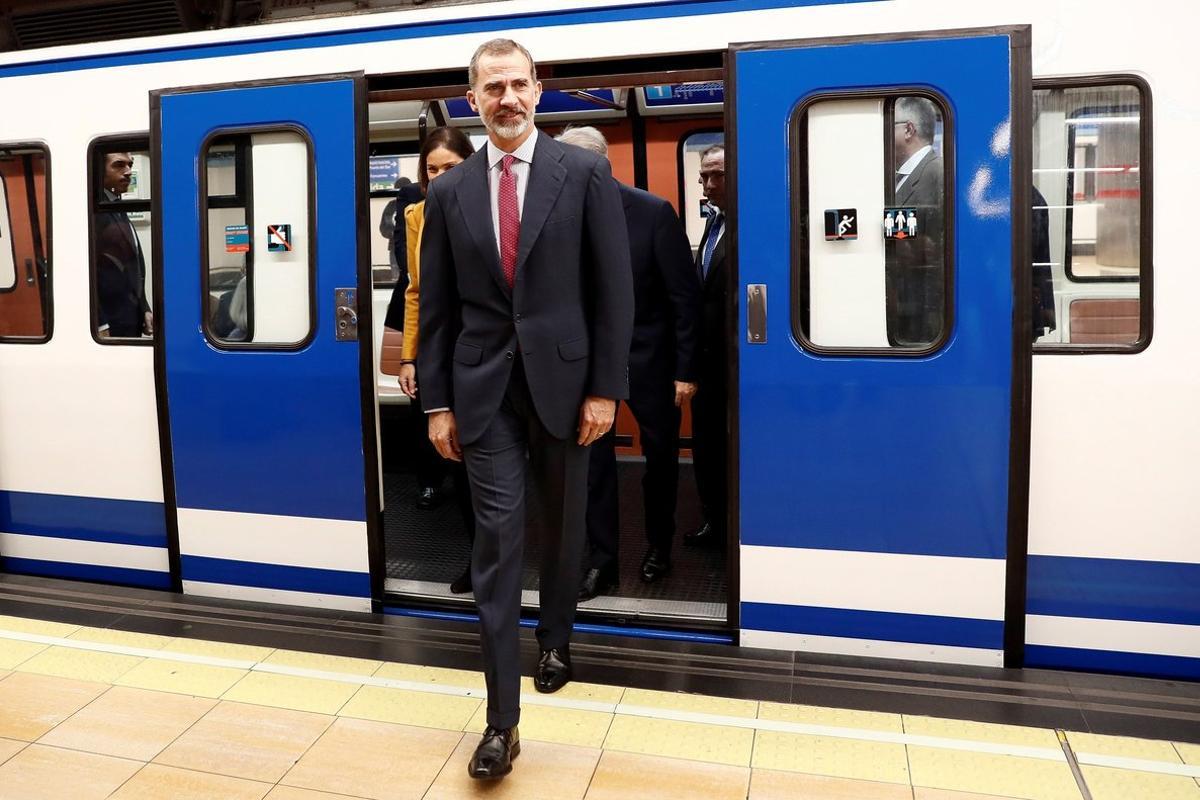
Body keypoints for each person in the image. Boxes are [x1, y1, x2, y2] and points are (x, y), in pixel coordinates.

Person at [418, 38, 633, 780]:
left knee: (565, 525)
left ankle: (558, 636)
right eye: (491, 88)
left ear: (538, 90)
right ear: (469, 99)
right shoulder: (446, 194)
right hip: (483, 396)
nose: (506, 98)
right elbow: (437, 311)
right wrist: (437, 403)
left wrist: (605, 389)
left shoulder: (583, 172)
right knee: (497, 548)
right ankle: (501, 724)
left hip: (568, 388)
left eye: (517, 84)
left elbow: (614, 292)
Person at [555, 126, 700, 598]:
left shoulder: (652, 213)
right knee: (593, 464)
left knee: (659, 459)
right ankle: (604, 560)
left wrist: (685, 369)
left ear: (599, 165)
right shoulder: (556, 215)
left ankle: (659, 545)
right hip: (583, 364)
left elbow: (683, 297)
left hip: (651, 359)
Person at [396, 126, 479, 594]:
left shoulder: (493, 206)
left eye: (451, 167)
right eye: (433, 170)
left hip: (492, 348)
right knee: (461, 462)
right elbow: (416, 292)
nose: (441, 177)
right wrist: (411, 356)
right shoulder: (416, 215)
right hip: (444, 351)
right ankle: (478, 558)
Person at [684, 143, 729, 549]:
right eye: (704, 177)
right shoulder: (713, 224)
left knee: (731, 450)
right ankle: (713, 521)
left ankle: (733, 529)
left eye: (718, 175)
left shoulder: (752, 224)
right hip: (706, 364)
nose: (709, 185)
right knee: (708, 448)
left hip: (735, 365)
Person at [889, 96, 945, 346]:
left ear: (908, 129)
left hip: (923, 304)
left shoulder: (938, 174)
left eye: (888, 125)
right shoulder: (898, 177)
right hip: (903, 300)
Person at [95, 152, 152, 339]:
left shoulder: (115, 205)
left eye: (130, 164)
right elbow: (87, 271)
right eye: (118, 165)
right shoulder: (94, 211)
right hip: (109, 325)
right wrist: (98, 322)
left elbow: (130, 267)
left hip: (130, 318)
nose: (128, 171)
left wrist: (144, 307)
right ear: (98, 170)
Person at [379, 176, 420, 282]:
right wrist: (394, 234)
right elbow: (383, 227)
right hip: (394, 247)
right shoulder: (391, 205)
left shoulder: (417, 205)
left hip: (414, 245)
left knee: (415, 276)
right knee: (397, 279)